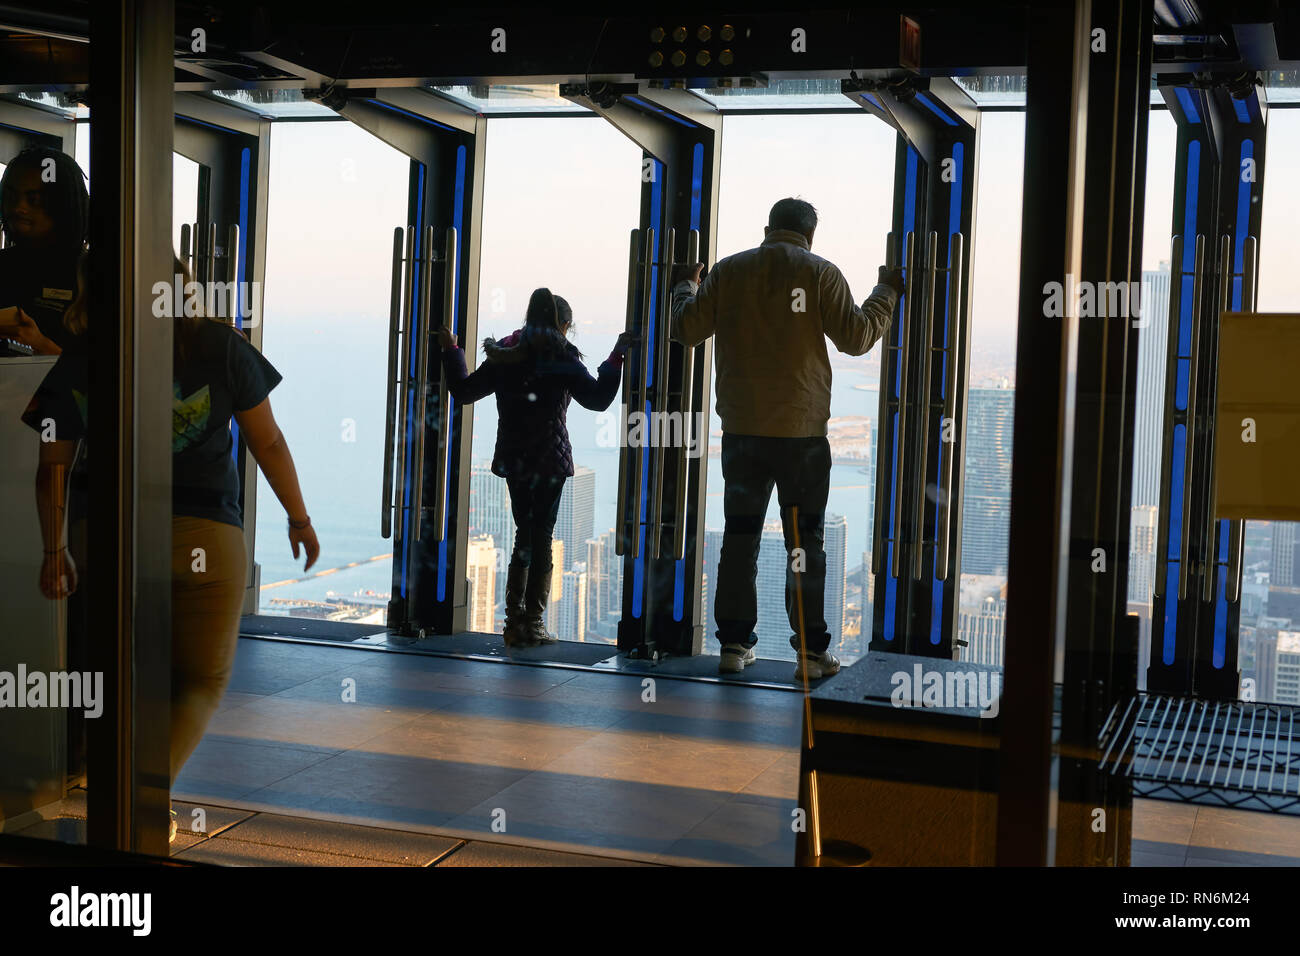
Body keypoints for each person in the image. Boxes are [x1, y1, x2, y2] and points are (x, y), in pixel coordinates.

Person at [24, 254, 320, 843]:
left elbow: (51, 468)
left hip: (104, 533)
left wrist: (54, 550)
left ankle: (90, 782)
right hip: (202, 536)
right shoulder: (223, 347)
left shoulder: (81, 359)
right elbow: (269, 440)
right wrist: (298, 516)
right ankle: (144, 797)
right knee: (198, 681)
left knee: (113, 671)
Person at [670, 197, 904, 680]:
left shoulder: (730, 272)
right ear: (810, 235)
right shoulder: (821, 273)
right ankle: (811, 653)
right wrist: (886, 292)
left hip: (741, 433)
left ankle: (733, 644)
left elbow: (687, 328)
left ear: (767, 228)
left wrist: (684, 286)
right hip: (802, 435)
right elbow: (857, 337)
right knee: (805, 543)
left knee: (740, 539)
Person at [439, 288, 632, 646]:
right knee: (541, 535)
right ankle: (534, 622)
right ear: (564, 324)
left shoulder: (505, 354)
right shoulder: (561, 357)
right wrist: (616, 357)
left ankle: (514, 624)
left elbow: (464, 392)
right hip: (549, 460)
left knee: (523, 536)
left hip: (515, 459)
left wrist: (452, 350)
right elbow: (598, 399)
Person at [0, 146, 88, 355]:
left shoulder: (90, 276)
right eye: (11, 197)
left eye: (34, 200)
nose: (18, 207)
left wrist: (39, 345)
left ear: (63, 205)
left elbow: (111, 377)